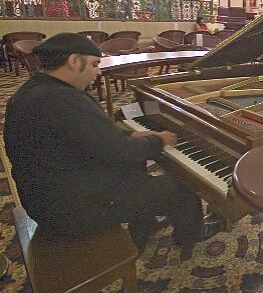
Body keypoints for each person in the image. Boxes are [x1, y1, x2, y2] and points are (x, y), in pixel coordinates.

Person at [3, 33, 221, 253]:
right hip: (72, 212)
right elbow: (120, 152)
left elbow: (89, 142)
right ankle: (191, 233)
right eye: (95, 64)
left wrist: (126, 138)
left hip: (47, 197)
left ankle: (144, 221)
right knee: (180, 187)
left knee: (135, 166)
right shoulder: (65, 100)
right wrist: (158, 139)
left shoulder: (33, 91)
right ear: (74, 61)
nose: (98, 72)